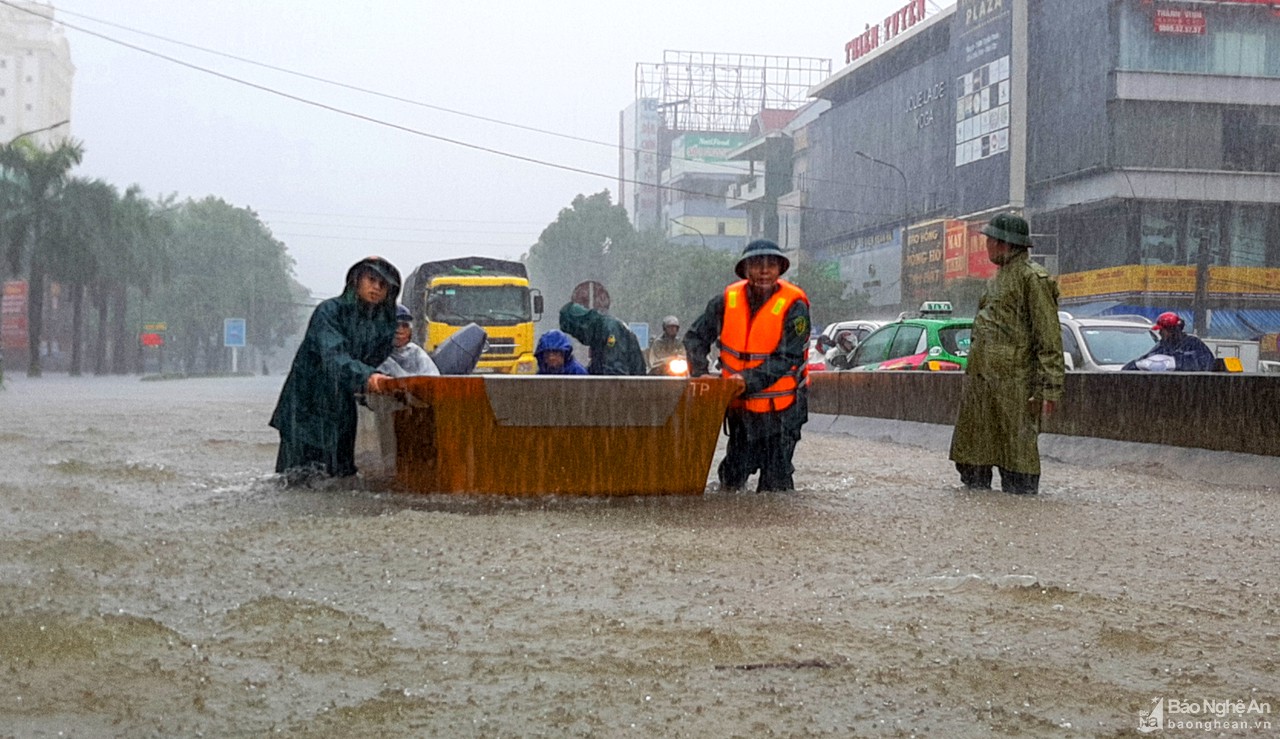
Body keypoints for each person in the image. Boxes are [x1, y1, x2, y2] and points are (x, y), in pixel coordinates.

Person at [949, 214, 1064, 495]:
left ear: (1003, 244)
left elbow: (1048, 335)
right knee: (974, 461)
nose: (986, 245)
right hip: (982, 385)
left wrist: (1047, 389)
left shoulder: (1032, 279)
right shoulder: (997, 279)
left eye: (989, 240)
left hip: (1014, 386)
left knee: (1017, 463)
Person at [685, 239, 810, 493]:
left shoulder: (794, 306)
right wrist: (700, 373)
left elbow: (788, 358)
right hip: (741, 412)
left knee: (775, 488)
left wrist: (746, 380)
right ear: (745, 270)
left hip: (782, 414)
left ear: (779, 270)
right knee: (731, 479)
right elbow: (695, 338)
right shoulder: (724, 302)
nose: (764, 271)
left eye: (771, 265)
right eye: (756, 265)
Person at [269, 256, 402, 484]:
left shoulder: (385, 323)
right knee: (296, 480)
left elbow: (375, 361)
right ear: (356, 280)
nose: (376, 287)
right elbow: (333, 356)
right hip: (305, 406)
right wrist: (366, 377)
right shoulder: (329, 312)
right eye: (371, 279)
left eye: (384, 284)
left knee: (340, 478)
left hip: (342, 408)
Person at [558, 299, 647, 376]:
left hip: (628, 390)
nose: (578, 338)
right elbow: (597, 367)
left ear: (581, 325)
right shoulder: (597, 333)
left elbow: (615, 371)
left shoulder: (610, 329)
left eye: (576, 333)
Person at [1121, 312, 1214, 372]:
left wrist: (1176, 362)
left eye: (1162, 330)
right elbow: (1147, 360)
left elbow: (1205, 364)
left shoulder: (1194, 344)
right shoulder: (1162, 346)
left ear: (1172, 330)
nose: (1160, 333)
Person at [377, 304, 440, 378]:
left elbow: (434, 379)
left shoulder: (416, 352)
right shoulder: (374, 353)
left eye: (405, 326)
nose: (399, 330)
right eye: (395, 325)